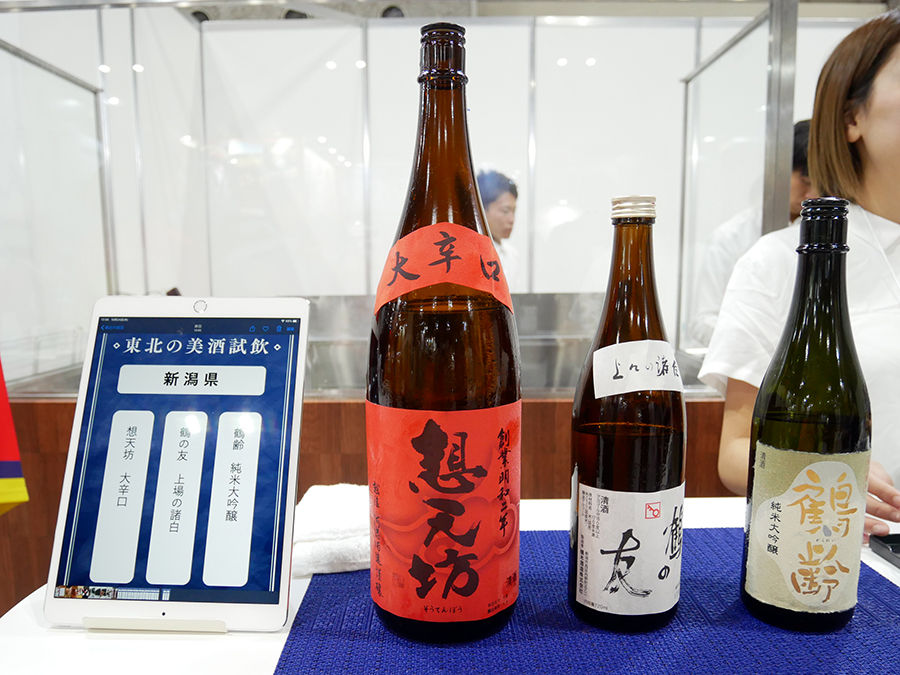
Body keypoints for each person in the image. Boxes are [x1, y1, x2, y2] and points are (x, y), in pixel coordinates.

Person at [699, 10, 900, 538]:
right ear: (852, 118)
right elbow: (736, 450)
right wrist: (818, 475)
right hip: (848, 552)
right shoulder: (779, 261)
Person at [689, 121, 817, 346]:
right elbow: (703, 320)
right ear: (778, 171)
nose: (811, 193)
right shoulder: (732, 236)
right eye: (805, 182)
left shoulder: (828, 237)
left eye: (819, 184)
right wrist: (758, 342)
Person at [477, 170, 521, 290]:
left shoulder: (512, 256)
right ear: (482, 209)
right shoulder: (469, 254)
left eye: (514, 211)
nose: (512, 219)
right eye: (505, 211)